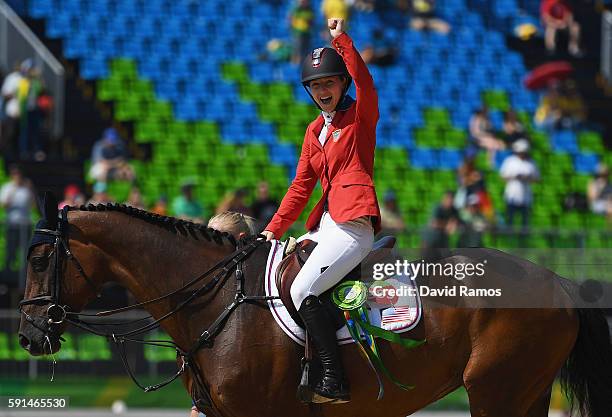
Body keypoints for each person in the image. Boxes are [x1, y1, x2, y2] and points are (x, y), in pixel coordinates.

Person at [261, 18, 381, 403]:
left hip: (352, 225)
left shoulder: (360, 117)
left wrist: (340, 40)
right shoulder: (314, 131)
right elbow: (300, 187)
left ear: (342, 84)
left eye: (328, 82)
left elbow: (365, 81)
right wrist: (272, 231)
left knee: (301, 289)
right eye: (315, 85)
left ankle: (333, 379)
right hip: (325, 225)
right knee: (283, 283)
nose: (322, 90)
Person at [188, 211, 257, 417]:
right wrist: (197, 405)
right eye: (208, 235)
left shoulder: (256, 282)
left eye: (217, 237)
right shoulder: (210, 282)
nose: (209, 244)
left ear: (241, 239)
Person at [0, 165, 35, 286]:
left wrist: (30, 190)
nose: (17, 176)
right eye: (15, 174)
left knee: (25, 252)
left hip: (25, 225)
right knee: (10, 252)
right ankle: (6, 280)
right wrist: (14, 190)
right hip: (12, 225)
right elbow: (4, 204)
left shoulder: (26, 189)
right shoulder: (7, 188)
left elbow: (33, 205)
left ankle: (25, 278)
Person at [499, 139, 540, 228]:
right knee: (510, 220)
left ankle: (524, 240)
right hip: (511, 196)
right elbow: (502, 177)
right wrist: (514, 177)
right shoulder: (510, 161)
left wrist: (527, 178)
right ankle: (509, 239)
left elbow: (537, 179)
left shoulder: (531, 163)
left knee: (524, 223)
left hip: (526, 197)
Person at [289, 0, 315, 65]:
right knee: (298, 50)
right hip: (298, 33)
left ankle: (305, 64)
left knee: (306, 50)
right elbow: (290, 19)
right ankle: (296, 65)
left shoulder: (309, 10)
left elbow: (311, 21)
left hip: (307, 33)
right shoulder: (296, 10)